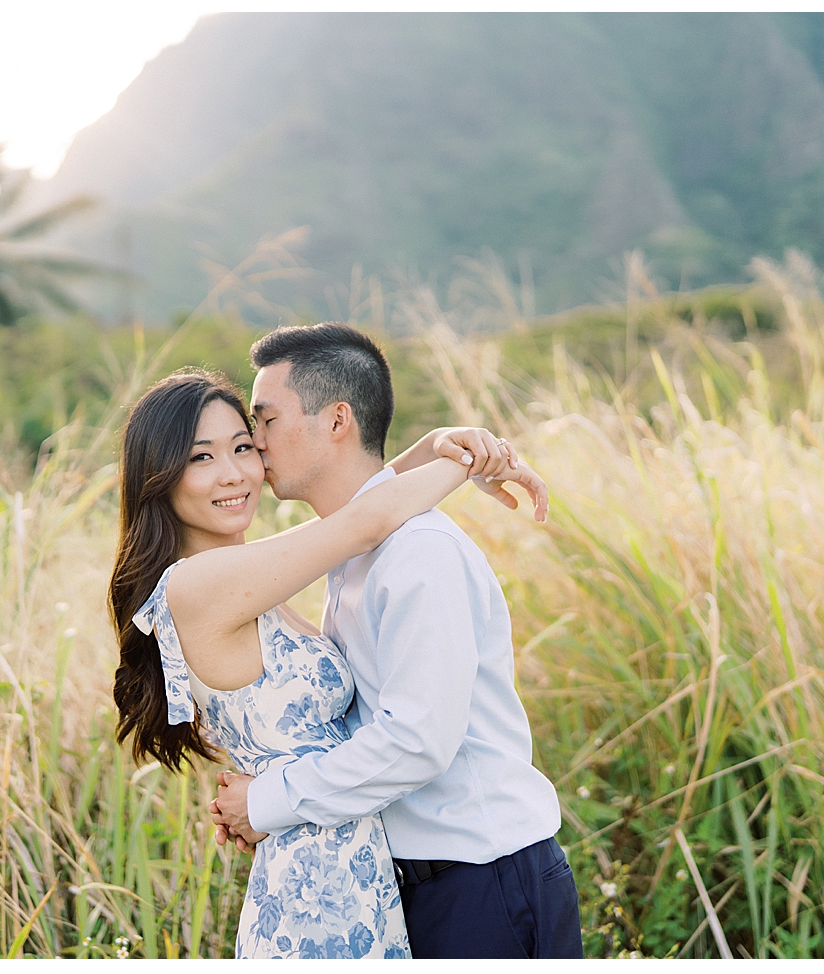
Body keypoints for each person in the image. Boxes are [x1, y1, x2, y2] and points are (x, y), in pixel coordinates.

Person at [108, 366, 546, 959]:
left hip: (352, 870)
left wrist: (443, 440)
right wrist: (473, 459)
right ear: (159, 477)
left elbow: (359, 504)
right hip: (313, 889)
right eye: (201, 458)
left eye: (244, 446)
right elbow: (362, 524)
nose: (234, 472)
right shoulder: (198, 585)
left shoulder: (253, 577)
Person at [208, 322, 584, 959]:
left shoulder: (417, 555)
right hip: (415, 883)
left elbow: (416, 742)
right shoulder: (352, 551)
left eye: (266, 419)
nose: (255, 443)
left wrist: (269, 802)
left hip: (482, 881)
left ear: (336, 421)